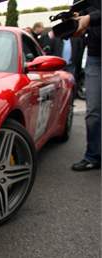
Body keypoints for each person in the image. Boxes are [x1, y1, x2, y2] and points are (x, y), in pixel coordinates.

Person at [72, 0, 101, 171]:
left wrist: (90, 18)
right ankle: (93, 156)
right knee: (93, 111)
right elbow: (78, 17)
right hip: (95, 56)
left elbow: (90, 17)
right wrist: (77, 25)